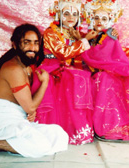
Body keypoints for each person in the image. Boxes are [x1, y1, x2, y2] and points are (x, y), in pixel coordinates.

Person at [0, 23, 68, 158]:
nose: (32, 48)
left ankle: (0, 145)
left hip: (18, 120)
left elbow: (27, 104)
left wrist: (29, 111)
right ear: (15, 44)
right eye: (27, 43)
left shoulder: (26, 65)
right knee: (41, 146)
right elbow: (31, 107)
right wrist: (44, 83)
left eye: (35, 43)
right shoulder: (13, 68)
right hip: (1, 123)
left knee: (59, 134)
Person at [80, 0, 129, 142]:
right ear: (91, 19)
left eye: (104, 19)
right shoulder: (86, 36)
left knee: (122, 79)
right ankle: (107, 126)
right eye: (96, 18)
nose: (99, 21)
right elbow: (85, 55)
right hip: (93, 73)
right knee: (104, 79)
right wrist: (86, 40)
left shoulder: (110, 36)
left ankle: (125, 125)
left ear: (109, 20)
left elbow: (110, 55)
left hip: (112, 69)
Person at [31, 0, 98, 145]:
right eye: (66, 13)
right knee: (77, 77)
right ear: (59, 15)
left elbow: (92, 45)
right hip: (52, 67)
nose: (71, 17)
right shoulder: (51, 32)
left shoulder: (75, 33)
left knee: (84, 76)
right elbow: (63, 53)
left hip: (68, 68)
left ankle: (75, 127)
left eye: (75, 14)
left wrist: (109, 32)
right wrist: (84, 40)